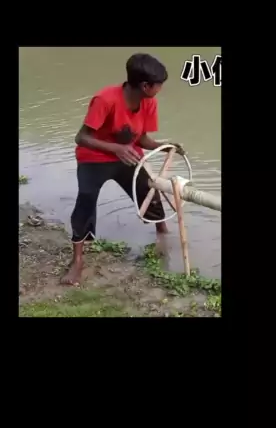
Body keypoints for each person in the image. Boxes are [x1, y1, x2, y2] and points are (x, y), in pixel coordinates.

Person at [61, 52, 184, 286]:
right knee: (85, 200)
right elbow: (81, 138)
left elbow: (142, 139)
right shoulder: (105, 99)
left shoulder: (149, 102)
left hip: (128, 156)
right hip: (94, 157)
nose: (161, 89)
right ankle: (77, 261)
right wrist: (116, 148)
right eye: (159, 85)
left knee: (150, 192)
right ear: (145, 86)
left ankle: (163, 237)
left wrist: (165, 146)